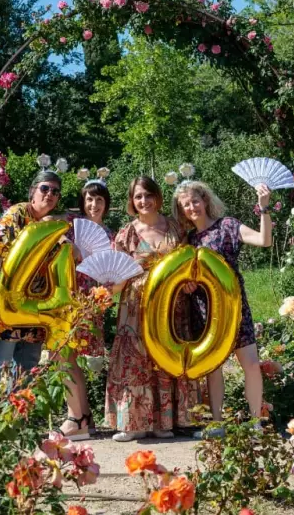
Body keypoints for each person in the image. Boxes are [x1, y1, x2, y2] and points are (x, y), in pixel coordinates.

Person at [0, 171, 63, 420]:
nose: (49, 195)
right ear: (33, 191)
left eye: (55, 192)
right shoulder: (17, 214)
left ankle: (18, 417)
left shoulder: (52, 224)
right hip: (4, 303)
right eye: (45, 189)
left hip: (35, 303)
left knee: (29, 362)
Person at [172, 180, 271, 438]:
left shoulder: (227, 225)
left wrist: (264, 209)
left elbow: (264, 240)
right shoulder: (188, 240)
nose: (192, 207)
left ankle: (255, 422)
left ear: (205, 200)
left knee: (250, 364)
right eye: (186, 205)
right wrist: (187, 286)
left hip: (234, 306)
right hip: (204, 310)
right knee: (212, 368)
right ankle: (217, 424)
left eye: (195, 201)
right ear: (181, 210)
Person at [105, 176, 200, 442]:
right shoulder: (126, 233)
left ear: (157, 197)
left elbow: (189, 263)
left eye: (148, 195)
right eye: (138, 197)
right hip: (135, 308)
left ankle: (166, 421)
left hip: (172, 306)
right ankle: (134, 422)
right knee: (135, 360)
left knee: (166, 356)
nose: (143, 201)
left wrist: (190, 282)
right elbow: (116, 271)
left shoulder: (176, 229)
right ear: (132, 201)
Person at [52, 179, 115, 440]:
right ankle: (81, 417)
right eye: (89, 199)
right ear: (82, 202)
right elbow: (48, 226)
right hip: (66, 297)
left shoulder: (111, 236)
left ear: (106, 204)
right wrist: (69, 242)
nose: (94, 204)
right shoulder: (72, 227)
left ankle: (76, 418)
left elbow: (113, 269)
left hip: (91, 300)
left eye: (99, 200)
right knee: (64, 354)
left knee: (66, 354)